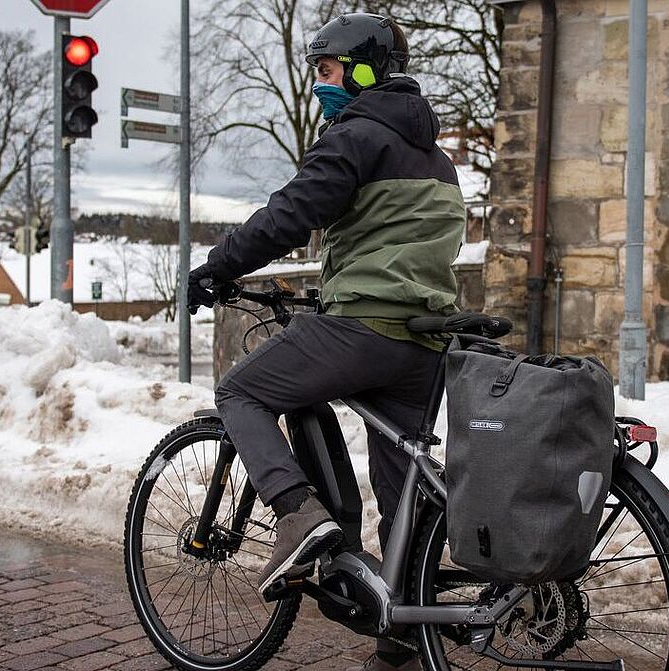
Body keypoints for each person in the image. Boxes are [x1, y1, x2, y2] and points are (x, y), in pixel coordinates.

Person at [188, 12, 464, 671]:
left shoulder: (356, 136)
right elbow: (394, 243)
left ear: (365, 70)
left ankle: (297, 513)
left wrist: (218, 266)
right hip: (424, 341)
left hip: (364, 329)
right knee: (404, 494)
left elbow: (292, 213)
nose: (319, 85)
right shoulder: (438, 158)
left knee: (241, 389)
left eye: (326, 70)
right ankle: (401, 638)